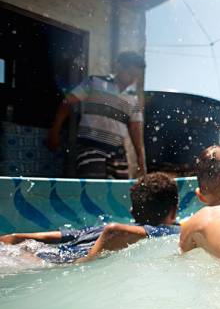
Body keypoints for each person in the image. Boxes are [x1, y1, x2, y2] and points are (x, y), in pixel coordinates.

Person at [0, 172, 180, 263]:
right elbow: (115, 232)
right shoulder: (164, 231)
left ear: (132, 212)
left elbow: (17, 238)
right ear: (173, 210)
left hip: (30, 255)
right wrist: (82, 265)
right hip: (55, 264)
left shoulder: (94, 229)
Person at [46, 51, 146, 179]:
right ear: (119, 67)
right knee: (93, 189)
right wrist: (55, 130)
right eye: (130, 74)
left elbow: (135, 129)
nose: (132, 80)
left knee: (117, 194)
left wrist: (140, 159)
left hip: (117, 153)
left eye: (136, 76)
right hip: (90, 147)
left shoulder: (133, 98)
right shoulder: (94, 82)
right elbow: (67, 102)